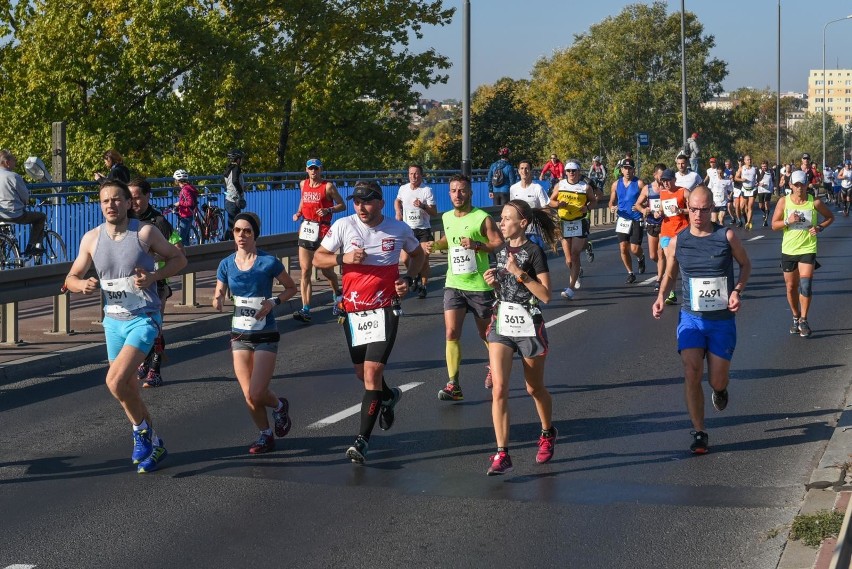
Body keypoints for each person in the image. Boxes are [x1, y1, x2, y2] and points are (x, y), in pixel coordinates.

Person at [63, 180, 187, 473]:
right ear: (100, 205)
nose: (111, 205)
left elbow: (179, 259)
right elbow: (70, 277)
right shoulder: (91, 239)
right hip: (113, 322)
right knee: (128, 390)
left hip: (143, 318)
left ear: (128, 203)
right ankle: (154, 443)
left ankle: (140, 433)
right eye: (105, 201)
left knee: (114, 381)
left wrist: (154, 277)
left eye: (117, 200)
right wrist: (83, 284)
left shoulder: (144, 233)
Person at [313, 181, 425, 464]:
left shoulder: (397, 229)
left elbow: (419, 255)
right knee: (362, 375)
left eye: (368, 202)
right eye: (357, 202)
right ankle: (388, 397)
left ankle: (361, 440)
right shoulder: (343, 225)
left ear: (381, 204)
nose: (361, 208)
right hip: (353, 311)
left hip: (384, 309)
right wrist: (343, 258)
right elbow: (317, 258)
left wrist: (408, 279)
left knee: (373, 374)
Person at [652, 185, 751, 454]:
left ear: (712, 209)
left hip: (721, 321)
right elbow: (670, 274)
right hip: (691, 318)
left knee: (717, 380)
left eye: (703, 210)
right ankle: (699, 431)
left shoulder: (726, 236)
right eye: (693, 209)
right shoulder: (678, 241)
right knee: (691, 371)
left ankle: (720, 390)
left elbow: (745, 265)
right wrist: (662, 296)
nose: (698, 215)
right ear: (687, 209)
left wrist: (737, 291)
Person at [482, 200, 561, 475]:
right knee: (500, 388)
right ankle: (502, 453)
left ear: (522, 223)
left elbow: (546, 295)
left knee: (533, 389)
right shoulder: (501, 250)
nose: (501, 223)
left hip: (528, 325)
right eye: (501, 218)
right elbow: (504, 290)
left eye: (506, 219)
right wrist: (494, 282)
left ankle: (547, 431)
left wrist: (519, 273)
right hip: (502, 323)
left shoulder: (534, 251)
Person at [213, 212, 298, 454]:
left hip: (265, 334)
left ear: (255, 235)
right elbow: (219, 291)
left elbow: (291, 288)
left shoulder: (268, 262)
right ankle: (265, 434)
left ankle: (280, 406)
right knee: (248, 396)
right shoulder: (226, 264)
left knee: (257, 391)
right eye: (237, 230)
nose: (241, 235)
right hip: (240, 335)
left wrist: (273, 302)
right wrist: (217, 299)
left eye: (247, 231)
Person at [427, 174, 503, 397]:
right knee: (451, 332)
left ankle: (495, 366)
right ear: (449, 193)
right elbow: (449, 241)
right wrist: (435, 245)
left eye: (462, 191)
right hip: (454, 283)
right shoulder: (447, 217)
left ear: (470, 193)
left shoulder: (482, 218)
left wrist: (478, 245)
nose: (457, 195)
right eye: (453, 191)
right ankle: (454, 384)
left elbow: (498, 242)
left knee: (485, 334)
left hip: (479, 285)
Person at [129, 178, 180, 388]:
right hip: (133, 286)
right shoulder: (125, 220)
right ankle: (144, 360)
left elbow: (179, 251)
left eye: (137, 197)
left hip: (156, 284)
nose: (133, 202)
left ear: (148, 196)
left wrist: (151, 258)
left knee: (154, 327)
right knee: (138, 328)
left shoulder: (159, 222)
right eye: (129, 198)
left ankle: (155, 370)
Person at [771, 170, 834, 338]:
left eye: (802, 184)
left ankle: (804, 319)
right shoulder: (784, 202)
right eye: (796, 185)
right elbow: (774, 225)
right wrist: (787, 221)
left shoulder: (815, 202)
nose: (799, 188)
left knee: (806, 285)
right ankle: (795, 316)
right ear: (790, 185)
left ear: (807, 185)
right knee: (791, 286)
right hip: (789, 250)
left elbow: (830, 217)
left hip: (808, 247)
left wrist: (820, 227)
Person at [291, 158, 345, 323]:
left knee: (326, 271)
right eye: (310, 169)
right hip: (307, 230)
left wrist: (328, 209)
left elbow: (342, 205)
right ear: (306, 170)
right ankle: (306, 309)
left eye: (316, 169)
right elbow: (303, 199)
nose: (313, 171)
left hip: (323, 231)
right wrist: (299, 213)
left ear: (321, 170)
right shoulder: (303, 184)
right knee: (305, 271)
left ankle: (337, 295)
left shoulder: (328, 186)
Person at [550, 160, 595, 298]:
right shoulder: (560, 185)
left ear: (578, 172)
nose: (571, 173)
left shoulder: (585, 187)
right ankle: (577, 270)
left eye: (574, 171)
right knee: (569, 260)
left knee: (575, 254)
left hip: (579, 222)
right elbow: (550, 201)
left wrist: (586, 207)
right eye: (568, 171)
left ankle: (570, 289)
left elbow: (593, 201)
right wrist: (558, 204)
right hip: (564, 223)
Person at [394, 163, 437, 299]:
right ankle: (414, 275)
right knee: (405, 258)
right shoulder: (403, 189)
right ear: (408, 175)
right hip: (408, 230)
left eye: (416, 173)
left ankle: (423, 286)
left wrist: (423, 206)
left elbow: (434, 212)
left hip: (423, 230)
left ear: (421, 175)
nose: (414, 176)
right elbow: (397, 200)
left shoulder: (426, 190)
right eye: (411, 173)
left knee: (423, 259)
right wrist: (398, 211)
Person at [0, 149, 46, 256]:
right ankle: (32, 246)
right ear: (7, 163)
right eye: (13, 161)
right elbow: (25, 197)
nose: (15, 163)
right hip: (15, 215)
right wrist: (25, 203)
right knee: (40, 217)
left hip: (0, 214)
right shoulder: (13, 176)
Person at [608, 158, 646, 284]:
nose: (627, 171)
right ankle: (630, 273)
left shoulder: (639, 183)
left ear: (634, 170)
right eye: (625, 168)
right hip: (622, 219)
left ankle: (641, 257)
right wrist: (612, 207)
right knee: (623, 248)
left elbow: (648, 198)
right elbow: (611, 201)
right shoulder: (616, 184)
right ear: (621, 170)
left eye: (630, 168)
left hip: (636, 218)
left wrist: (641, 206)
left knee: (634, 249)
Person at [657, 168, 690, 305]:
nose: (665, 183)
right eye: (663, 181)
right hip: (666, 232)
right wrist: (658, 213)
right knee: (670, 260)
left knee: (677, 262)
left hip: (681, 231)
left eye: (668, 180)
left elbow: (694, 208)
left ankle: (682, 290)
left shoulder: (684, 192)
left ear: (674, 180)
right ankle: (672, 292)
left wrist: (681, 210)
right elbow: (660, 209)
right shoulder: (662, 193)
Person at [634, 163, 668, 292]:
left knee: (660, 253)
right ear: (655, 175)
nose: (662, 179)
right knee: (653, 255)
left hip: (664, 223)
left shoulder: (667, 188)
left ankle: (659, 280)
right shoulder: (648, 189)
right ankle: (662, 269)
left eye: (664, 176)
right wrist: (644, 210)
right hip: (651, 223)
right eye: (660, 176)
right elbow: (637, 204)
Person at [510, 159, 550, 249]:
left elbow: (546, 208)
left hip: (534, 231)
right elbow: (512, 209)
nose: (524, 171)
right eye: (522, 168)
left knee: (537, 258)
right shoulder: (513, 188)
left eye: (527, 168)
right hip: (519, 231)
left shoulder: (537, 188)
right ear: (518, 171)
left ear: (531, 171)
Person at [223, 149, 247, 240]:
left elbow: (227, 184)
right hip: (234, 200)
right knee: (234, 225)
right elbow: (235, 181)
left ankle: (225, 243)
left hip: (228, 199)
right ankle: (227, 244)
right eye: (241, 158)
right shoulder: (236, 168)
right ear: (237, 159)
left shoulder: (228, 169)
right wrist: (240, 191)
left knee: (231, 224)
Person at [173, 169, 198, 246]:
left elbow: (189, 202)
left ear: (178, 180)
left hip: (186, 215)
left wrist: (179, 203)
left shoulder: (185, 190)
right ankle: (188, 256)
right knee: (186, 238)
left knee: (181, 239)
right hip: (189, 214)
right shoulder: (189, 187)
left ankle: (182, 256)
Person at [734, 155, 758, 230]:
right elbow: (736, 178)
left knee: (750, 206)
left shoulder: (755, 169)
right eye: (747, 160)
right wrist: (742, 180)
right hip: (744, 189)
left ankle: (748, 222)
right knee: (744, 207)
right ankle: (747, 219)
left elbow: (759, 177)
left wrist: (757, 182)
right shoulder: (741, 169)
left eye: (750, 159)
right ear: (744, 161)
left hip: (753, 189)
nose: (749, 161)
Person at [756, 160, 774, 227]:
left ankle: (766, 220)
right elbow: (756, 181)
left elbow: (773, 180)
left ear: (767, 166)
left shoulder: (771, 172)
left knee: (766, 203)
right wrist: (759, 183)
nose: (764, 167)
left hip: (768, 191)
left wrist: (774, 187)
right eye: (763, 166)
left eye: (765, 166)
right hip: (760, 190)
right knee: (761, 206)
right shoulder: (759, 172)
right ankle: (765, 212)